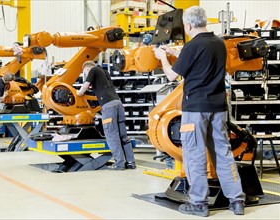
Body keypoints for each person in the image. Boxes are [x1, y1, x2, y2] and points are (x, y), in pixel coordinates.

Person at [153, 6, 245, 217]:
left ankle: (199, 203)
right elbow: (200, 60)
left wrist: (163, 57)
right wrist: (177, 53)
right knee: (223, 154)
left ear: (189, 25)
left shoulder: (192, 46)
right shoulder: (218, 43)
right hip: (219, 108)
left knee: (194, 155)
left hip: (195, 110)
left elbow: (171, 76)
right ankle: (237, 201)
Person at [77, 61, 136, 170]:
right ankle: (131, 162)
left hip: (108, 107)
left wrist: (78, 93)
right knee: (123, 136)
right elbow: (94, 86)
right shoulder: (104, 72)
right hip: (118, 104)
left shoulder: (92, 69)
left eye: (85, 72)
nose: (86, 74)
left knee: (112, 135)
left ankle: (119, 164)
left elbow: (85, 86)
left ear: (87, 69)